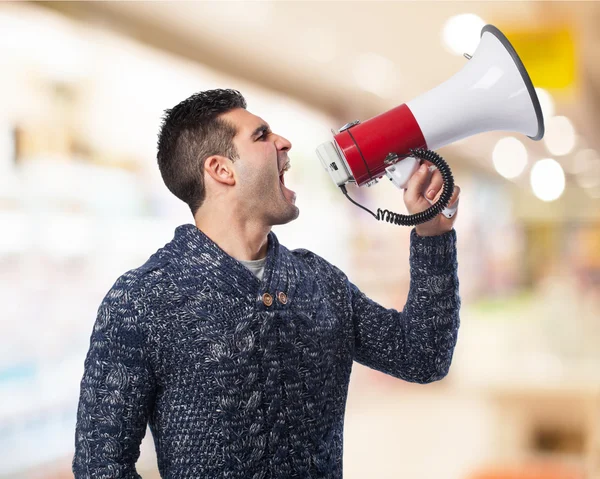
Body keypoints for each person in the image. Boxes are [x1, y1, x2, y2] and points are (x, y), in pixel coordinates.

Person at [72, 89, 461, 478]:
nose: (284, 142)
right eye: (261, 136)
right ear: (221, 170)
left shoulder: (320, 282)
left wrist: (432, 234)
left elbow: (422, 356)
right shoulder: (142, 300)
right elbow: (99, 467)